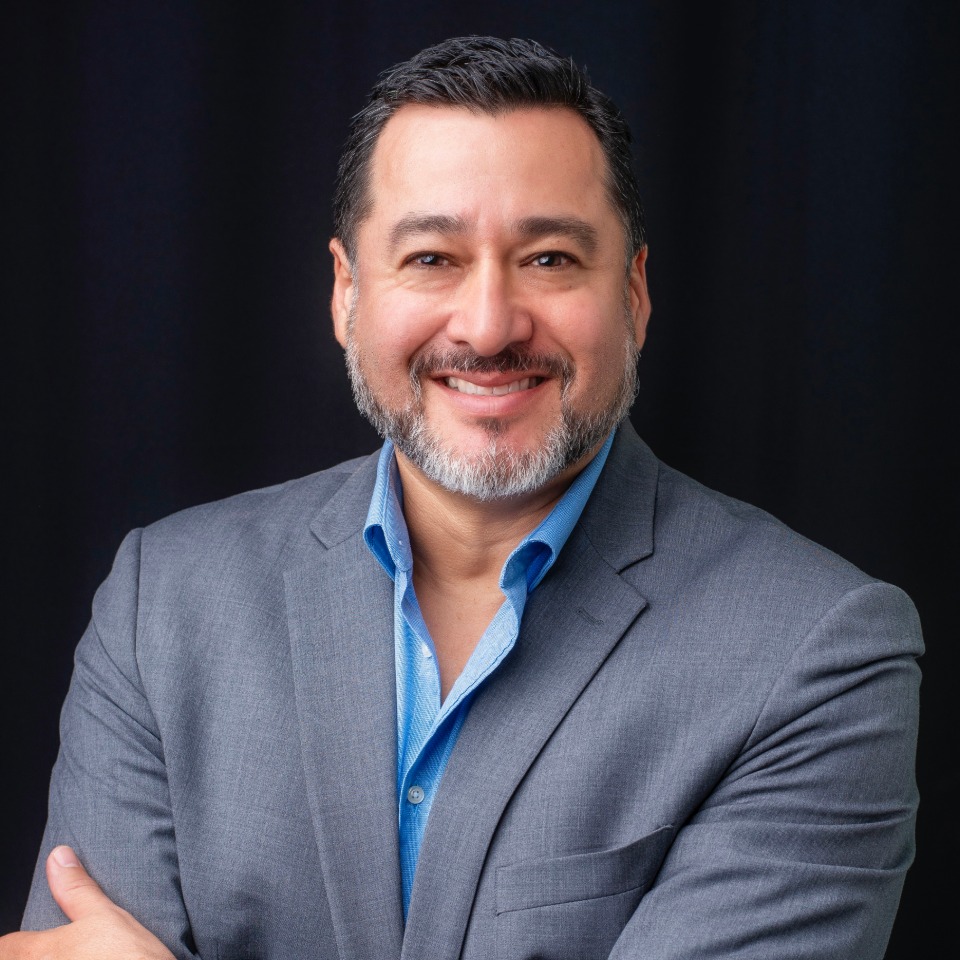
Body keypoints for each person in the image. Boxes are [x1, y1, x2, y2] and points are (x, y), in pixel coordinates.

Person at [3, 36, 921, 960]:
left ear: (635, 295)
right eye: (432, 257)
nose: (487, 328)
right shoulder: (160, 604)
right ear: (346, 294)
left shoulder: (815, 652)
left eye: (550, 259)